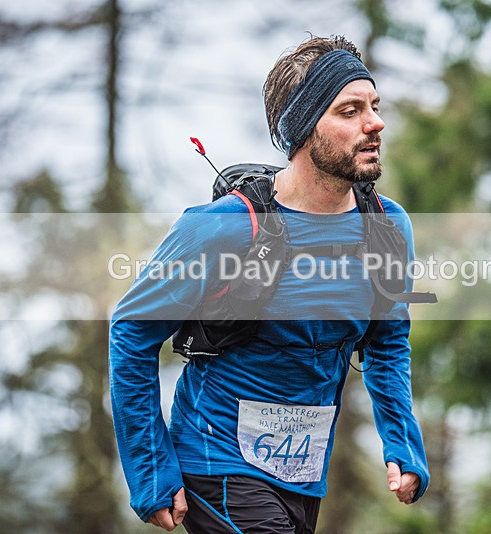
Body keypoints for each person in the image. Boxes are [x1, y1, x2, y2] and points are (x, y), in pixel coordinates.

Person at [109, 35, 430, 533]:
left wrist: (402, 443)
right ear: (303, 131)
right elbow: (131, 330)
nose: (375, 123)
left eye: (374, 106)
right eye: (350, 110)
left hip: (304, 479)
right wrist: (150, 469)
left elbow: (386, 342)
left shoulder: (386, 227)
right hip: (216, 463)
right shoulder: (224, 227)